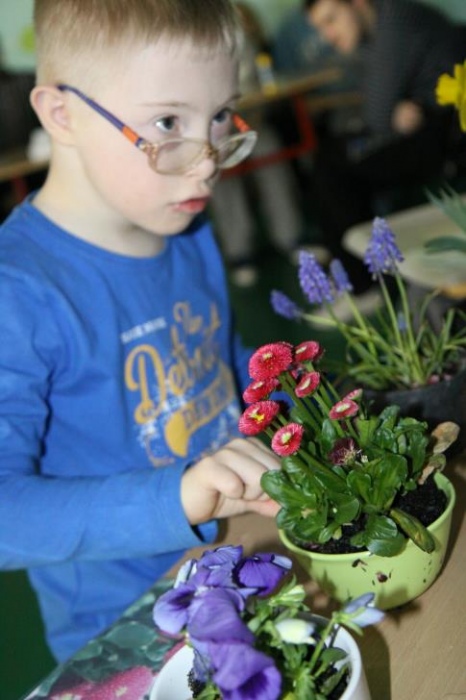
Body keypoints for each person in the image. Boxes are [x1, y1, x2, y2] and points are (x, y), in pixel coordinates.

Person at [0, 0, 282, 664]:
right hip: (128, 629)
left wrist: (284, 403)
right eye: (168, 123)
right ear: (61, 113)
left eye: (221, 116)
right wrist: (178, 496)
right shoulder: (18, 293)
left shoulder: (184, 227)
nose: (207, 160)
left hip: (243, 555)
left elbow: (211, 361)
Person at [304, 0, 466, 308]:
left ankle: (363, 285)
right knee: (332, 155)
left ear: (357, 3)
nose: (328, 36)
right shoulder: (380, 26)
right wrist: (393, 108)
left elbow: (376, 113)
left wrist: (391, 109)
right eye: (320, 28)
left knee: (333, 167)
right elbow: (377, 102)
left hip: (446, 135)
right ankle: (355, 271)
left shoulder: (395, 21)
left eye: (331, 19)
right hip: (430, 125)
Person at [210, 2, 329, 287]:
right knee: (219, 170)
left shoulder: (236, 24)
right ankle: (240, 252)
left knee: (270, 152)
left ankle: (291, 238)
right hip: (209, 129)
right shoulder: (178, 31)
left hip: (250, 117)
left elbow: (250, 74)